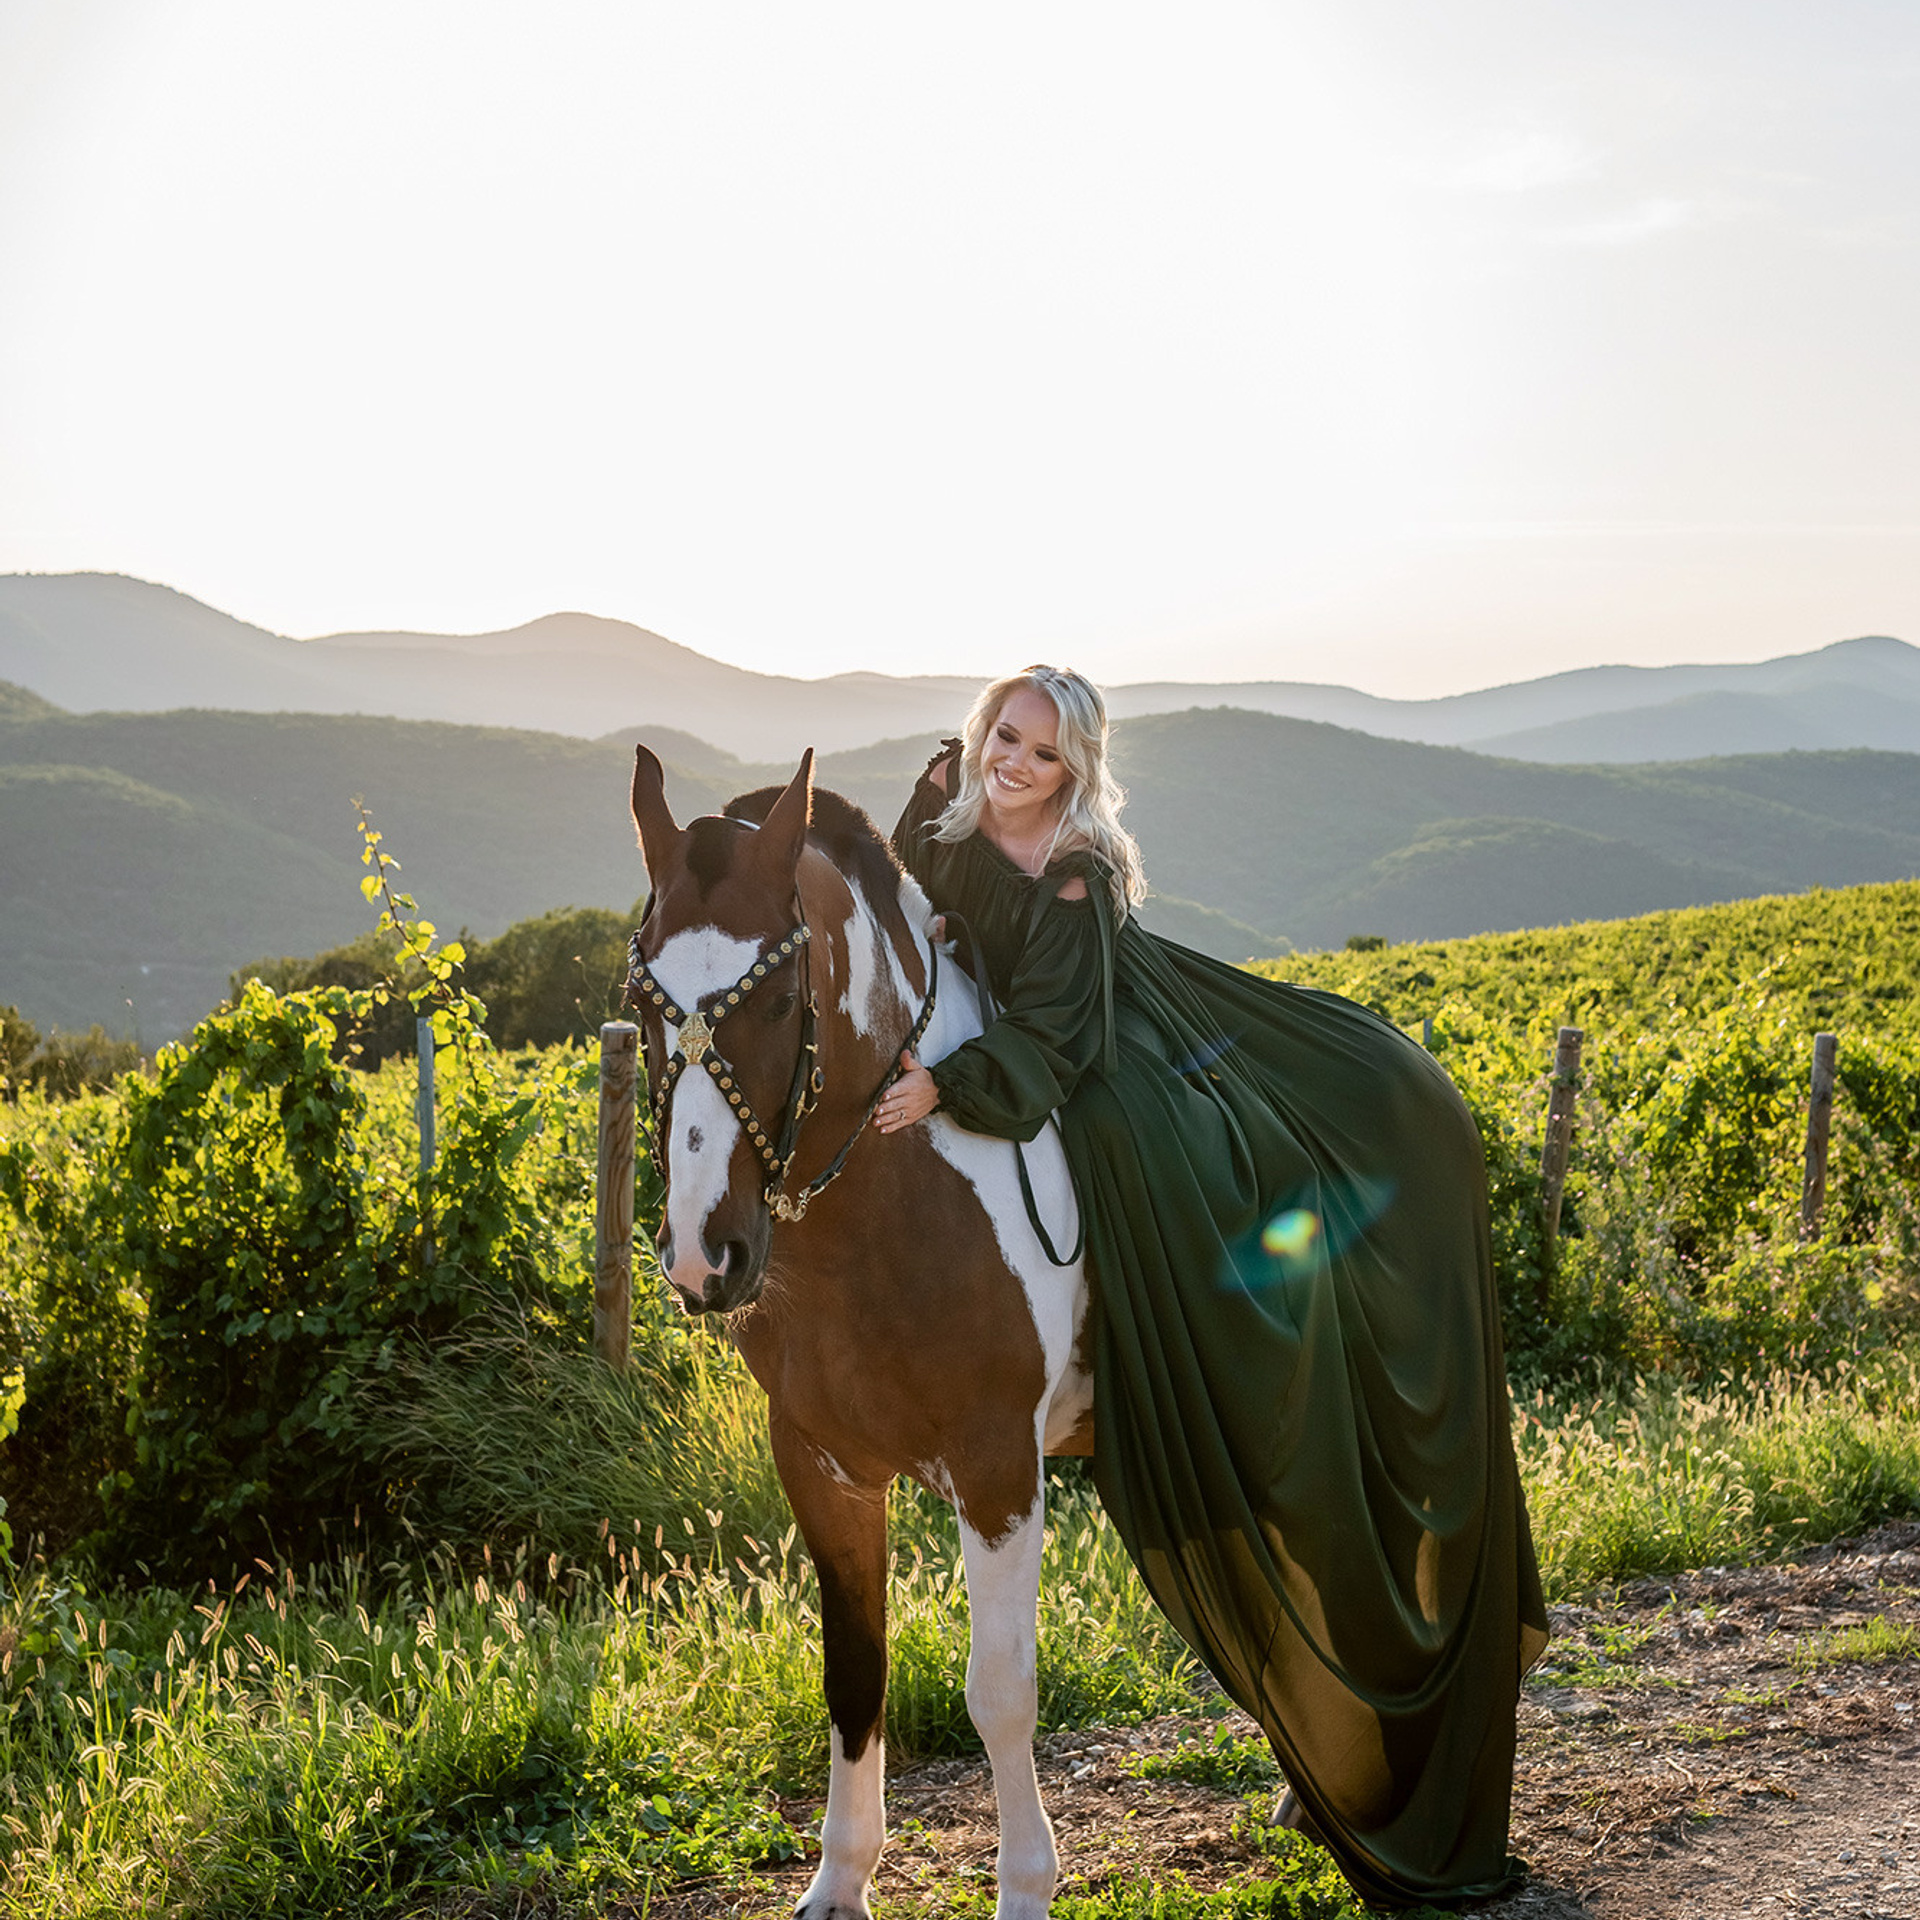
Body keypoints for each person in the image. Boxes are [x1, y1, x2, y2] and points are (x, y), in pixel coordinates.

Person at [877, 664, 1548, 1910]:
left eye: (1042, 753)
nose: (1012, 765)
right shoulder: (940, 797)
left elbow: (1054, 1046)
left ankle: (1199, 1352)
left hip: (1097, 1043)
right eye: (1004, 737)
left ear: (1076, 772)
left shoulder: (1072, 881)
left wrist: (941, 1090)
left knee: (1152, 1152)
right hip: (1001, 1021)